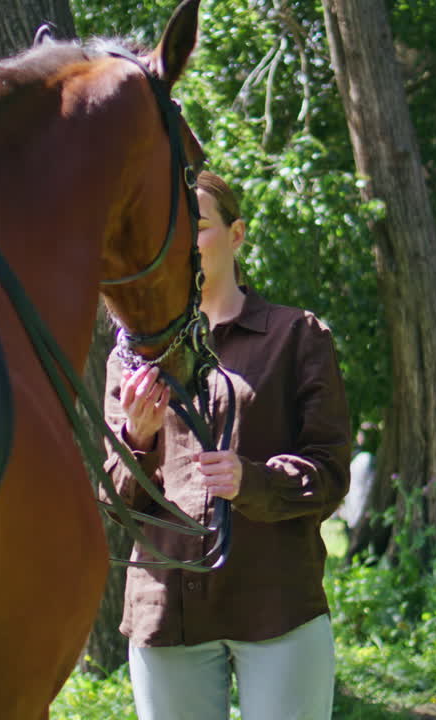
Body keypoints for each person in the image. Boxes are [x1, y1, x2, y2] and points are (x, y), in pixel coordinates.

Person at [102, 170, 352, 719]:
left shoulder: (297, 335)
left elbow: (332, 471)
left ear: (237, 234)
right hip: (166, 612)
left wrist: (253, 481)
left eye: (199, 225)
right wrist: (137, 439)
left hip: (276, 602)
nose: (184, 242)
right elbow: (117, 502)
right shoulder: (131, 359)